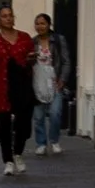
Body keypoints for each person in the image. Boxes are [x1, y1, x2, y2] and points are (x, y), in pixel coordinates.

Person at [0, 15, 32, 174]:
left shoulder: (24, 38)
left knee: (23, 123)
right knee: (4, 124)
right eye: (4, 16)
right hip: (1, 86)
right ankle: (8, 160)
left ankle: (18, 152)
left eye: (10, 16)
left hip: (21, 86)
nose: (8, 19)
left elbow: (32, 59)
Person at [29, 19, 66, 158]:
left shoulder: (57, 40)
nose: (40, 26)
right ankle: (41, 143)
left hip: (54, 81)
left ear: (49, 25)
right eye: (37, 24)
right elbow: (28, 62)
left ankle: (54, 140)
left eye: (43, 23)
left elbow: (66, 60)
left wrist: (62, 79)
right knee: (38, 116)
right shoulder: (32, 42)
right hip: (38, 81)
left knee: (55, 112)